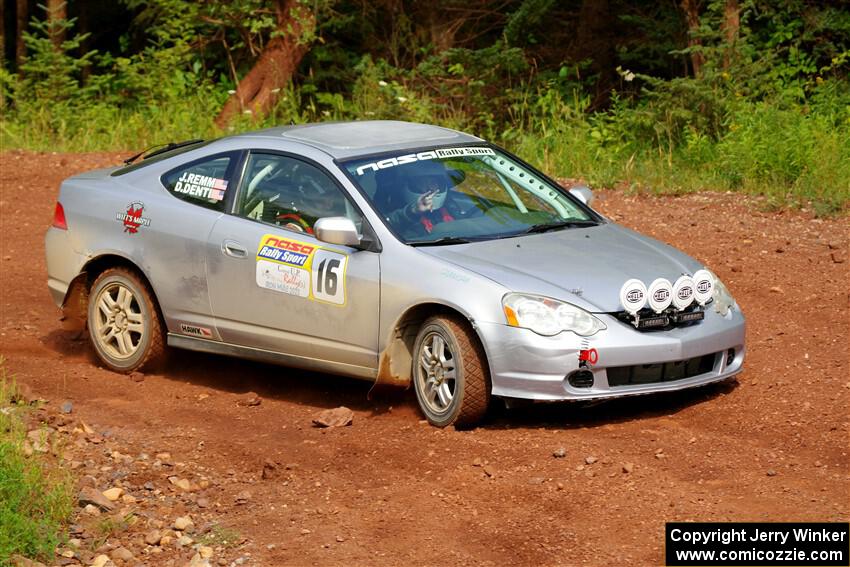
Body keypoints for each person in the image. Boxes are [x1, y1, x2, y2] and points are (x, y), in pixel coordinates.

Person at [386, 166, 465, 234]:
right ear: (409, 185)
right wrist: (413, 211)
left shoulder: (450, 207)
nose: (431, 188)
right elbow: (387, 226)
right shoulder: (398, 213)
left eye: (434, 182)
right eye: (423, 182)